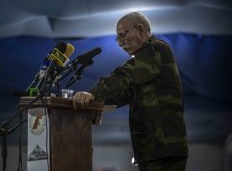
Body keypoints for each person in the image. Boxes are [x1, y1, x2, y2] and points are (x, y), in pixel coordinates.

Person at [72, 12, 188, 171]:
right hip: (153, 150)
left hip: (164, 149)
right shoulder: (146, 69)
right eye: (118, 38)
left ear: (140, 30)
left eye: (122, 35)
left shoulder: (158, 49)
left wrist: (93, 93)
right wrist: (93, 104)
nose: (120, 43)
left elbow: (126, 75)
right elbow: (124, 93)